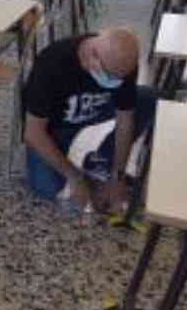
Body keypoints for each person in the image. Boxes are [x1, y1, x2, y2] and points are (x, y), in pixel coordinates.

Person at [21, 26, 156, 214]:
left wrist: (117, 176)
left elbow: (125, 119)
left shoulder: (122, 63)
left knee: (147, 98)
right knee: (47, 188)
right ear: (92, 56)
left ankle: (101, 163)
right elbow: (33, 133)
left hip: (94, 107)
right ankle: (86, 175)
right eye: (111, 77)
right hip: (54, 127)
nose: (117, 82)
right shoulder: (52, 63)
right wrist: (75, 177)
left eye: (121, 78)